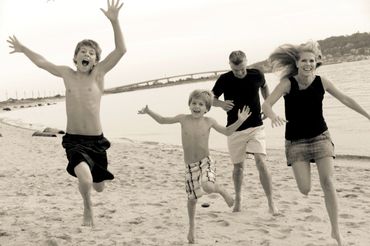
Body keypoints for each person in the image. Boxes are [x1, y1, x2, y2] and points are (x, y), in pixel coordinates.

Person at [7, 0, 126, 226]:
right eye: (82, 51)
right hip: (74, 141)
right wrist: (23, 49)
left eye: (91, 53)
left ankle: (95, 187)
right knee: (85, 177)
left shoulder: (98, 75)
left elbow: (121, 50)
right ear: (75, 58)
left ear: (95, 61)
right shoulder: (66, 74)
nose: (86, 54)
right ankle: (87, 209)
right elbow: (42, 62)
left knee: (99, 186)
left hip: (97, 141)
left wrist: (114, 21)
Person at [262, 40, 370, 246]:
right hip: (296, 143)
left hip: (321, 137)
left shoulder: (323, 82)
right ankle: (307, 181)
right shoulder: (287, 83)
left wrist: (367, 115)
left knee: (328, 182)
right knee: (305, 189)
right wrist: (273, 115)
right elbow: (266, 104)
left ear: (317, 61)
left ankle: (336, 232)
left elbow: (345, 99)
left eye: (312, 60)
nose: (308, 64)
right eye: (304, 60)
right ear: (297, 61)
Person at [138, 89, 251, 244]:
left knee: (208, 185)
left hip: (206, 161)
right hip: (190, 166)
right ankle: (191, 228)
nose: (197, 106)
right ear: (189, 105)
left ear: (207, 108)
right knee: (192, 199)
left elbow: (227, 131)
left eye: (201, 104)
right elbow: (163, 120)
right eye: (194, 103)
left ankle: (222, 191)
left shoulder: (209, 121)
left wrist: (240, 120)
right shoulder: (183, 119)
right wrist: (149, 111)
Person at [212, 50, 279, 214]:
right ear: (230, 66)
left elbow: (264, 87)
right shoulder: (224, 79)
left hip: (256, 125)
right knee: (238, 167)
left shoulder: (256, 74)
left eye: (242, 68)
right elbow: (210, 99)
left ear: (246, 63)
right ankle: (239, 199)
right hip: (234, 129)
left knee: (260, 162)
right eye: (236, 70)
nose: (240, 72)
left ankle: (271, 203)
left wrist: (267, 104)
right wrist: (221, 104)